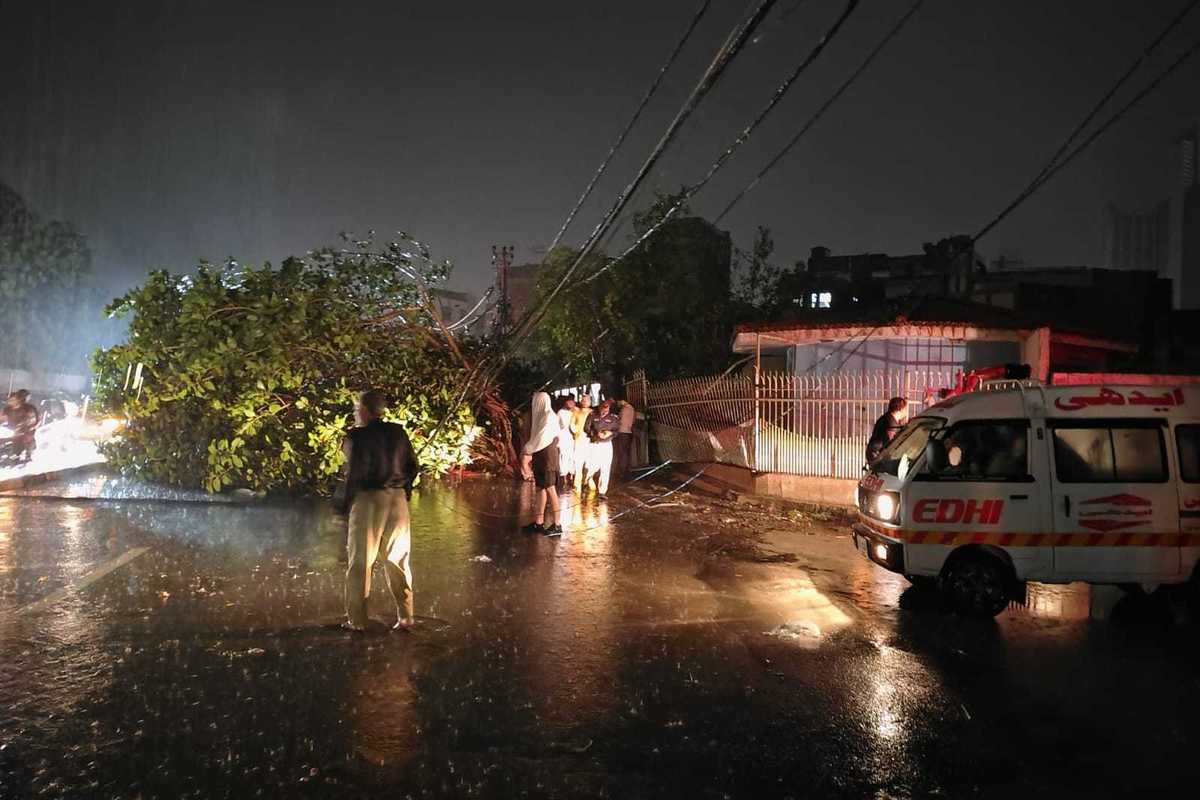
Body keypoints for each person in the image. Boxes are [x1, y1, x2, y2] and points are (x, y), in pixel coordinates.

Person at [339, 390, 419, 633]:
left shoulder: (356, 437)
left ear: (364, 410)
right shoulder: (398, 432)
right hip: (397, 501)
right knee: (398, 561)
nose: (355, 413)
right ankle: (406, 617)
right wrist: (404, 491)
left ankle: (357, 621)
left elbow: (354, 473)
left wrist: (343, 505)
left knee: (361, 563)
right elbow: (413, 467)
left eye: (356, 409)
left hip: (369, 500)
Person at [521, 392, 563, 536]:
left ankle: (557, 524)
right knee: (541, 489)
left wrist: (527, 450)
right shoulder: (541, 417)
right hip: (541, 456)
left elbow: (542, 437)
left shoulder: (549, 417)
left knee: (551, 489)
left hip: (548, 458)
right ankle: (538, 523)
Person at [582, 398, 620, 496]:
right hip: (595, 444)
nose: (605, 410)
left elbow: (617, 431)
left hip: (606, 444)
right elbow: (586, 428)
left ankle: (602, 492)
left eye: (607, 408)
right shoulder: (592, 415)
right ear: (599, 407)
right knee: (592, 466)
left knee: (605, 468)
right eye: (603, 408)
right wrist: (595, 433)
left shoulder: (613, 418)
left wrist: (610, 433)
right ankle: (586, 480)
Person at [865, 397, 908, 465]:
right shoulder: (891, 423)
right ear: (900, 409)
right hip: (877, 455)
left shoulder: (887, 418)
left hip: (874, 453)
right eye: (905, 409)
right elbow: (892, 443)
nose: (906, 411)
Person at [3, 390, 40, 464]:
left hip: (25, 430)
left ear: (18, 400)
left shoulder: (28, 408)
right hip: (11, 430)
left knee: (27, 438)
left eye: (13, 400)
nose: (10, 401)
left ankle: (28, 455)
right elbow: (2, 417)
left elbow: (31, 418)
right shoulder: (7, 409)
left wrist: (23, 425)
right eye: (9, 400)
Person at [569, 394, 593, 491]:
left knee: (589, 462)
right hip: (579, 439)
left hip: (590, 440)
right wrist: (576, 432)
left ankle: (588, 480)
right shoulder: (577, 412)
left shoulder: (593, 412)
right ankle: (577, 483)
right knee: (578, 461)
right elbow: (572, 424)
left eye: (587, 400)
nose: (585, 402)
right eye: (583, 400)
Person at [555, 396, 577, 490]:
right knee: (564, 457)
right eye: (569, 402)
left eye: (573, 402)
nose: (571, 404)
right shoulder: (560, 412)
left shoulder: (575, 412)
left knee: (572, 456)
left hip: (573, 438)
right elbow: (560, 425)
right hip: (564, 438)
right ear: (565, 402)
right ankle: (563, 478)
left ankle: (571, 476)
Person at [614, 397, 636, 479]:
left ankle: (622, 472)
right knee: (626, 453)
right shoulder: (632, 409)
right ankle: (626, 471)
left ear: (622, 401)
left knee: (622, 453)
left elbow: (621, 421)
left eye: (618, 401)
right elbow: (633, 420)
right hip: (629, 432)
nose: (618, 404)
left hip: (622, 432)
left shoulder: (624, 409)